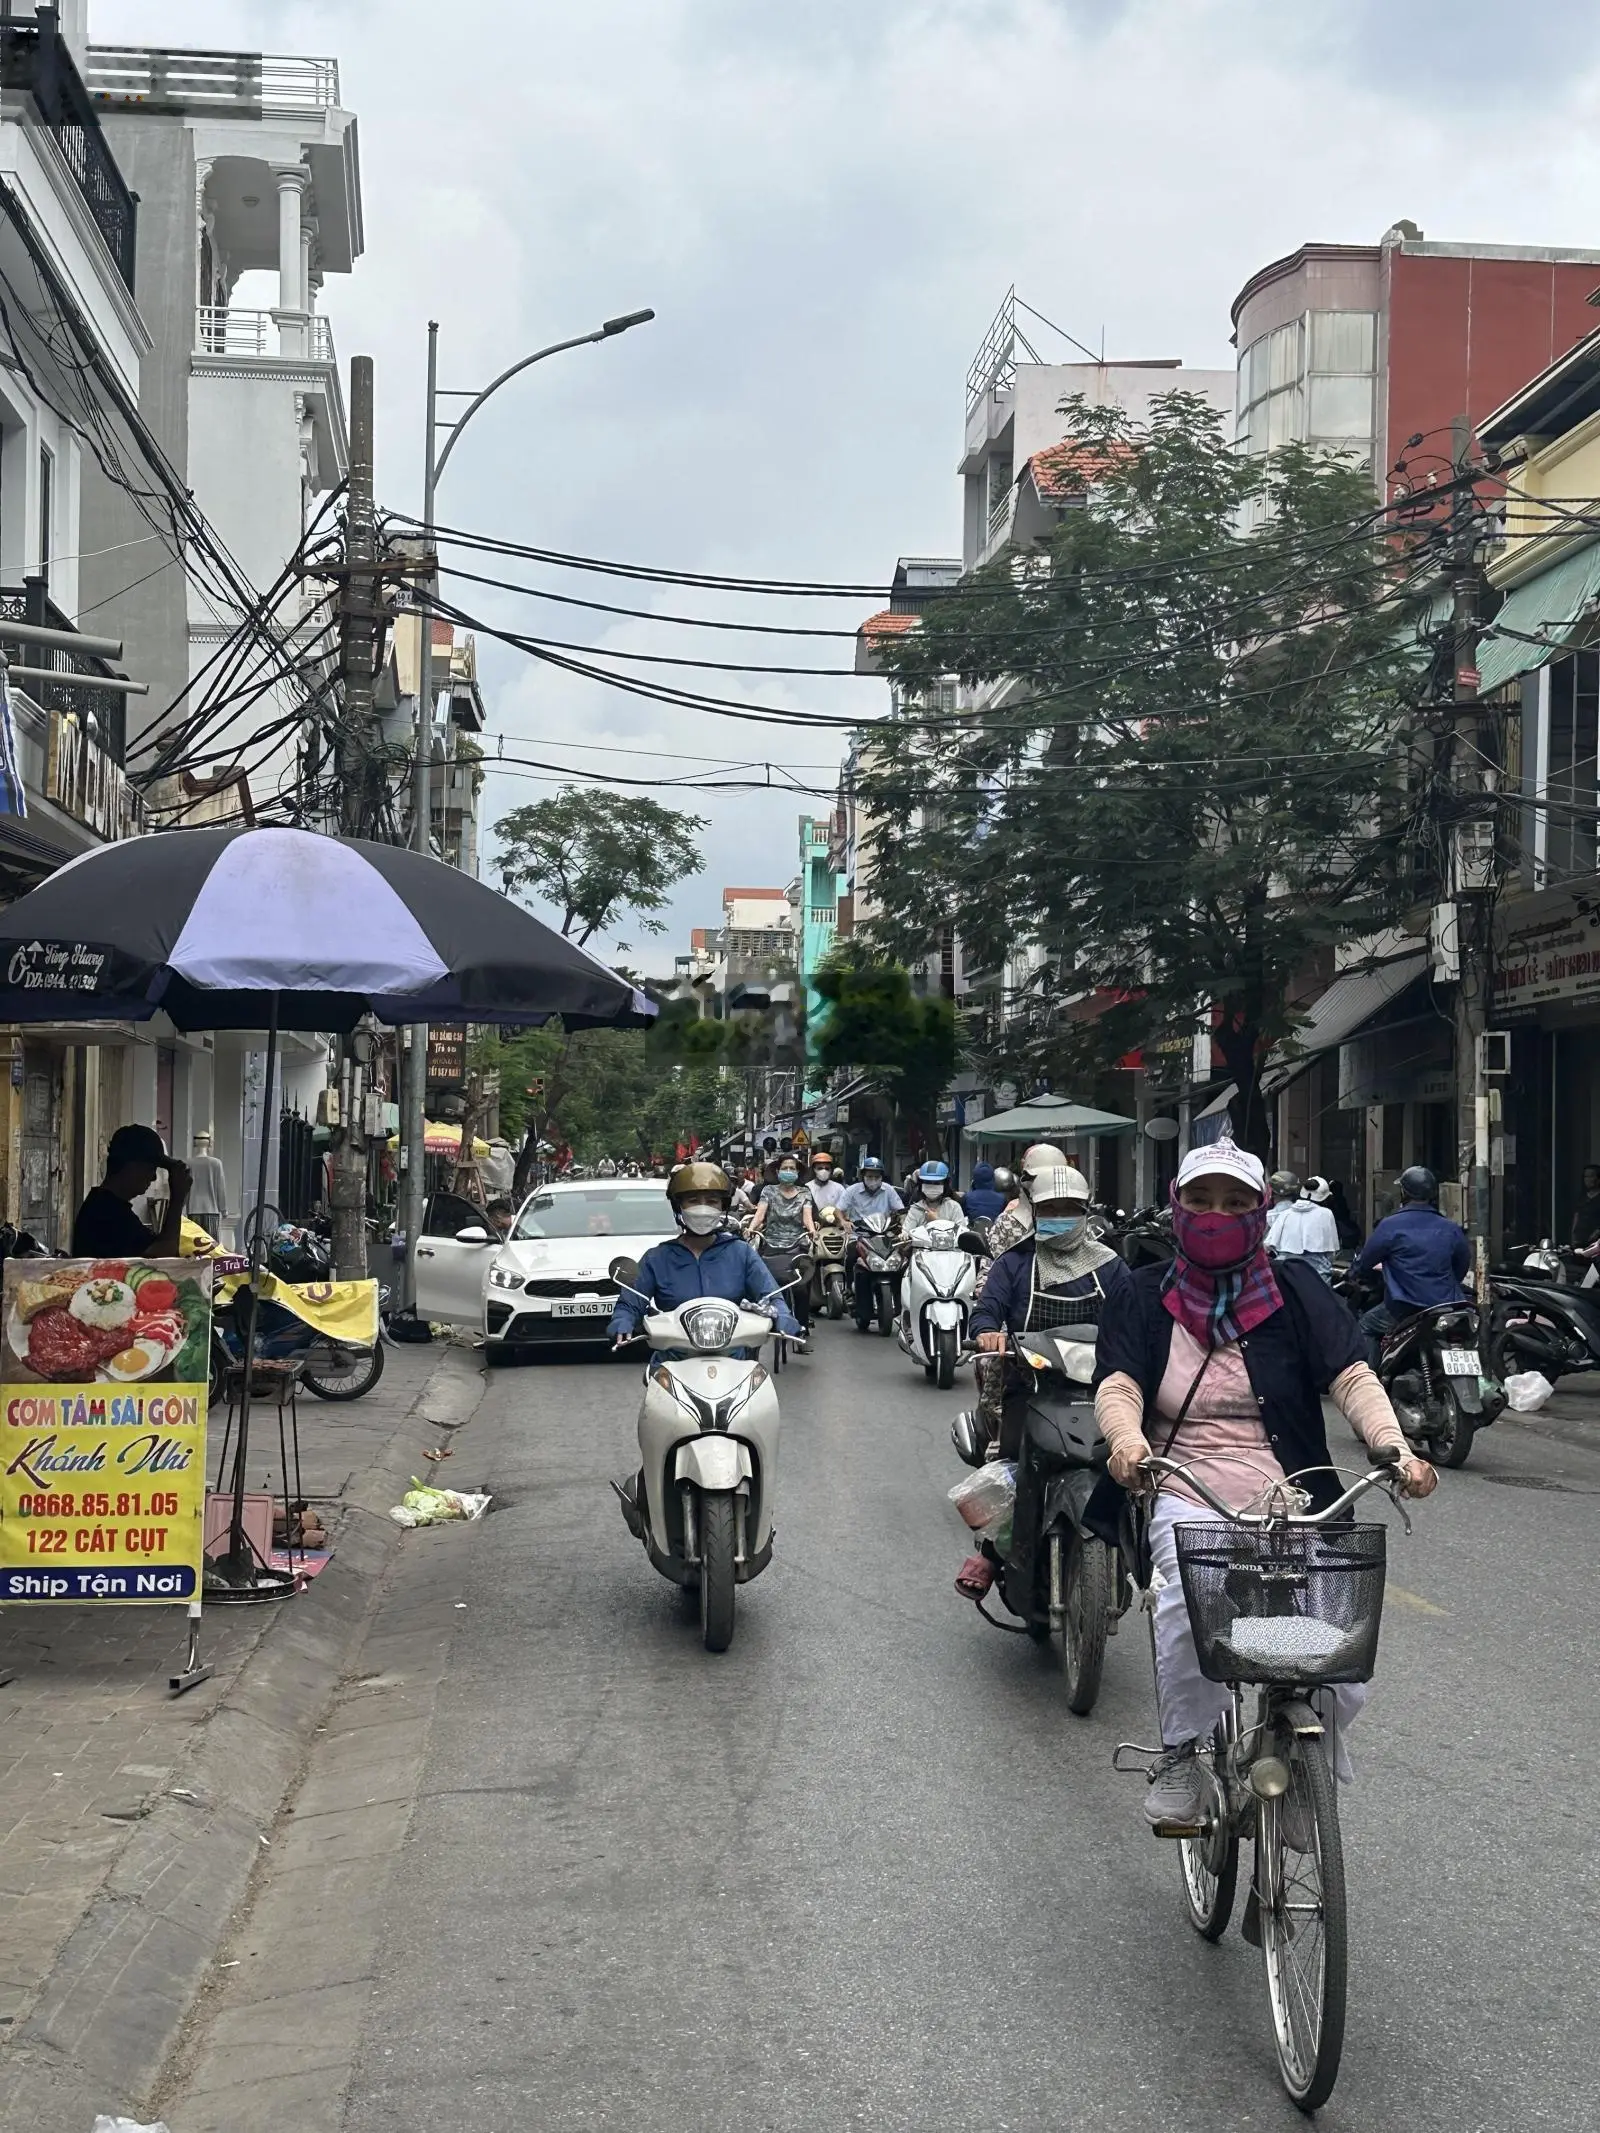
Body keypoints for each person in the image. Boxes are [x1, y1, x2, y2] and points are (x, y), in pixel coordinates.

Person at [1090, 1135, 1436, 1829]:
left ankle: (1306, 1772)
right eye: (1202, 1200)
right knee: (1186, 1610)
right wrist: (1126, 1442)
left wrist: (1394, 1446)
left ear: (1262, 1210)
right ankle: (1183, 1752)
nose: (1217, 1214)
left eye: (1235, 1202)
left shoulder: (1296, 1289)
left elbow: (1352, 1375)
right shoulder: (1141, 1291)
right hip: (1184, 1484)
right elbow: (1120, 1383)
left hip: (1294, 1493)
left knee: (1339, 1647)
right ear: (1176, 1207)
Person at [957, 1166, 1132, 1599]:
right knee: (1014, 1465)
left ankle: (1135, 1550)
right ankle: (992, 1551)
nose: (1059, 1216)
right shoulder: (1014, 1263)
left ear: (1084, 1213)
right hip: (1031, 1386)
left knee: (1134, 1465)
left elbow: (1137, 1315)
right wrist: (987, 1330)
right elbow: (986, 1309)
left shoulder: (1110, 1267)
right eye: (1049, 1209)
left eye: (1068, 1209)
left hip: (1101, 1387)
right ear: (1034, 1212)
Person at [609, 1162, 800, 1353]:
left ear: (723, 1207)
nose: (702, 1209)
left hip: (735, 1360)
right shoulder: (657, 1258)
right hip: (674, 1360)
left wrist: (783, 1315)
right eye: (693, 1201)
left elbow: (770, 1295)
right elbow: (632, 1302)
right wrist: (623, 1320)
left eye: (711, 1201)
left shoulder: (741, 1253)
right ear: (678, 1206)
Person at [1349, 1165, 1471, 1366]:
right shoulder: (1450, 1228)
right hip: (1448, 1305)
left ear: (1403, 1193)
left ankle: (1369, 1387)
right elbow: (1462, 1264)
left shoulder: (1390, 1225)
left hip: (1405, 1307)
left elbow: (1365, 1261)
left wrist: (1353, 1273)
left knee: (1366, 1326)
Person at [72, 1124, 192, 1259]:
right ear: (132, 1166)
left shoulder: (108, 1206)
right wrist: (177, 1199)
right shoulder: (106, 1212)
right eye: (151, 1169)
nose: (153, 1177)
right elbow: (164, 1255)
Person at [748, 1152, 817, 1348]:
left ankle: (801, 1329)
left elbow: (807, 1218)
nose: (788, 1172)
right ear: (777, 1172)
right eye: (784, 1168)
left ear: (797, 1172)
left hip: (797, 1245)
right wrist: (751, 1229)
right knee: (760, 1284)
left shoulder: (804, 1193)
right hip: (770, 1244)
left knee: (802, 1287)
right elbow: (760, 1214)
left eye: (792, 1169)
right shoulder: (768, 1191)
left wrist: (812, 1231)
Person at [1264, 1169, 1340, 1280]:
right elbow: (1331, 1252)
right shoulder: (1326, 1214)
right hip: (1318, 1278)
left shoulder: (1285, 1214)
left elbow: (1268, 1246)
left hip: (1287, 1276)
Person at [901, 1160, 964, 1240]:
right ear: (921, 1185)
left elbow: (962, 1235)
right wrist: (904, 1234)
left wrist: (936, 1222)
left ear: (944, 1185)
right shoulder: (916, 1209)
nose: (932, 1186)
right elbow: (907, 1231)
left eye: (937, 1183)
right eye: (928, 1183)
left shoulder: (953, 1207)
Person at [187, 1129, 231, 1246]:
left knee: (195, 1244)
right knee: (212, 1245)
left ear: (195, 1143)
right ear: (209, 1143)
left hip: (193, 1209)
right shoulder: (216, 1163)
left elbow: (185, 1187)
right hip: (211, 1210)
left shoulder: (189, 1163)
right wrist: (224, 1208)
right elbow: (220, 1188)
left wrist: (182, 1205)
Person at [1325, 1176, 1363, 1251]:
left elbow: (1344, 1212)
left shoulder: (1341, 1200)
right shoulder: (1329, 1201)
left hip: (1342, 1224)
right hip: (1337, 1225)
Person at [807, 1148, 848, 1212]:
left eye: (827, 1168)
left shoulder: (838, 1188)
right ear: (814, 1169)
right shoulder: (807, 1188)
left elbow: (845, 1208)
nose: (824, 1171)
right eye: (820, 1168)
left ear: (831, 1170)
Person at [1572, 1163, 1600, 1251]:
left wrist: (1597, 1232)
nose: (1587, 1180)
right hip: (1580, 1240)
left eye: (1591, 1176)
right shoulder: (1581, 1197)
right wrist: (1573, 1235)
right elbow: (1577, 1216)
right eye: (1585, 1176)